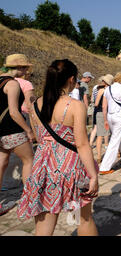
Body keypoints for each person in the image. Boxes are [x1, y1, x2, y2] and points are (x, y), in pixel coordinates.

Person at [16, 59, 98, 236]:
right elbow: (82, 144)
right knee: (83, 218)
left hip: (43, 167)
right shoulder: (75, 106)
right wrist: (93, 175)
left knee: (44, 224)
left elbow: (39, 137)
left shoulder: (35, 104)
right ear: (71, 79)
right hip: (72, 167)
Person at [0, 54, 35, 216]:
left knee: (2, 163)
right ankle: (30, 199)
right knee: (29, 161)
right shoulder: (12, 84)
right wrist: (28, 129)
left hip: (0, 132)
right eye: (25, 67)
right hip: (12, 129)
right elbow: (14, 112)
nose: (26, 70)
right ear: (19, 68)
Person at [93, 75, 113, 164]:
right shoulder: (112, 90)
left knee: (100, 136)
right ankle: (118, 153)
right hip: (110, 113)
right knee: (111, 134)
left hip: (101, 112)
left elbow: (96, 103)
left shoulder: (101, 90)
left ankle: (98, 156)